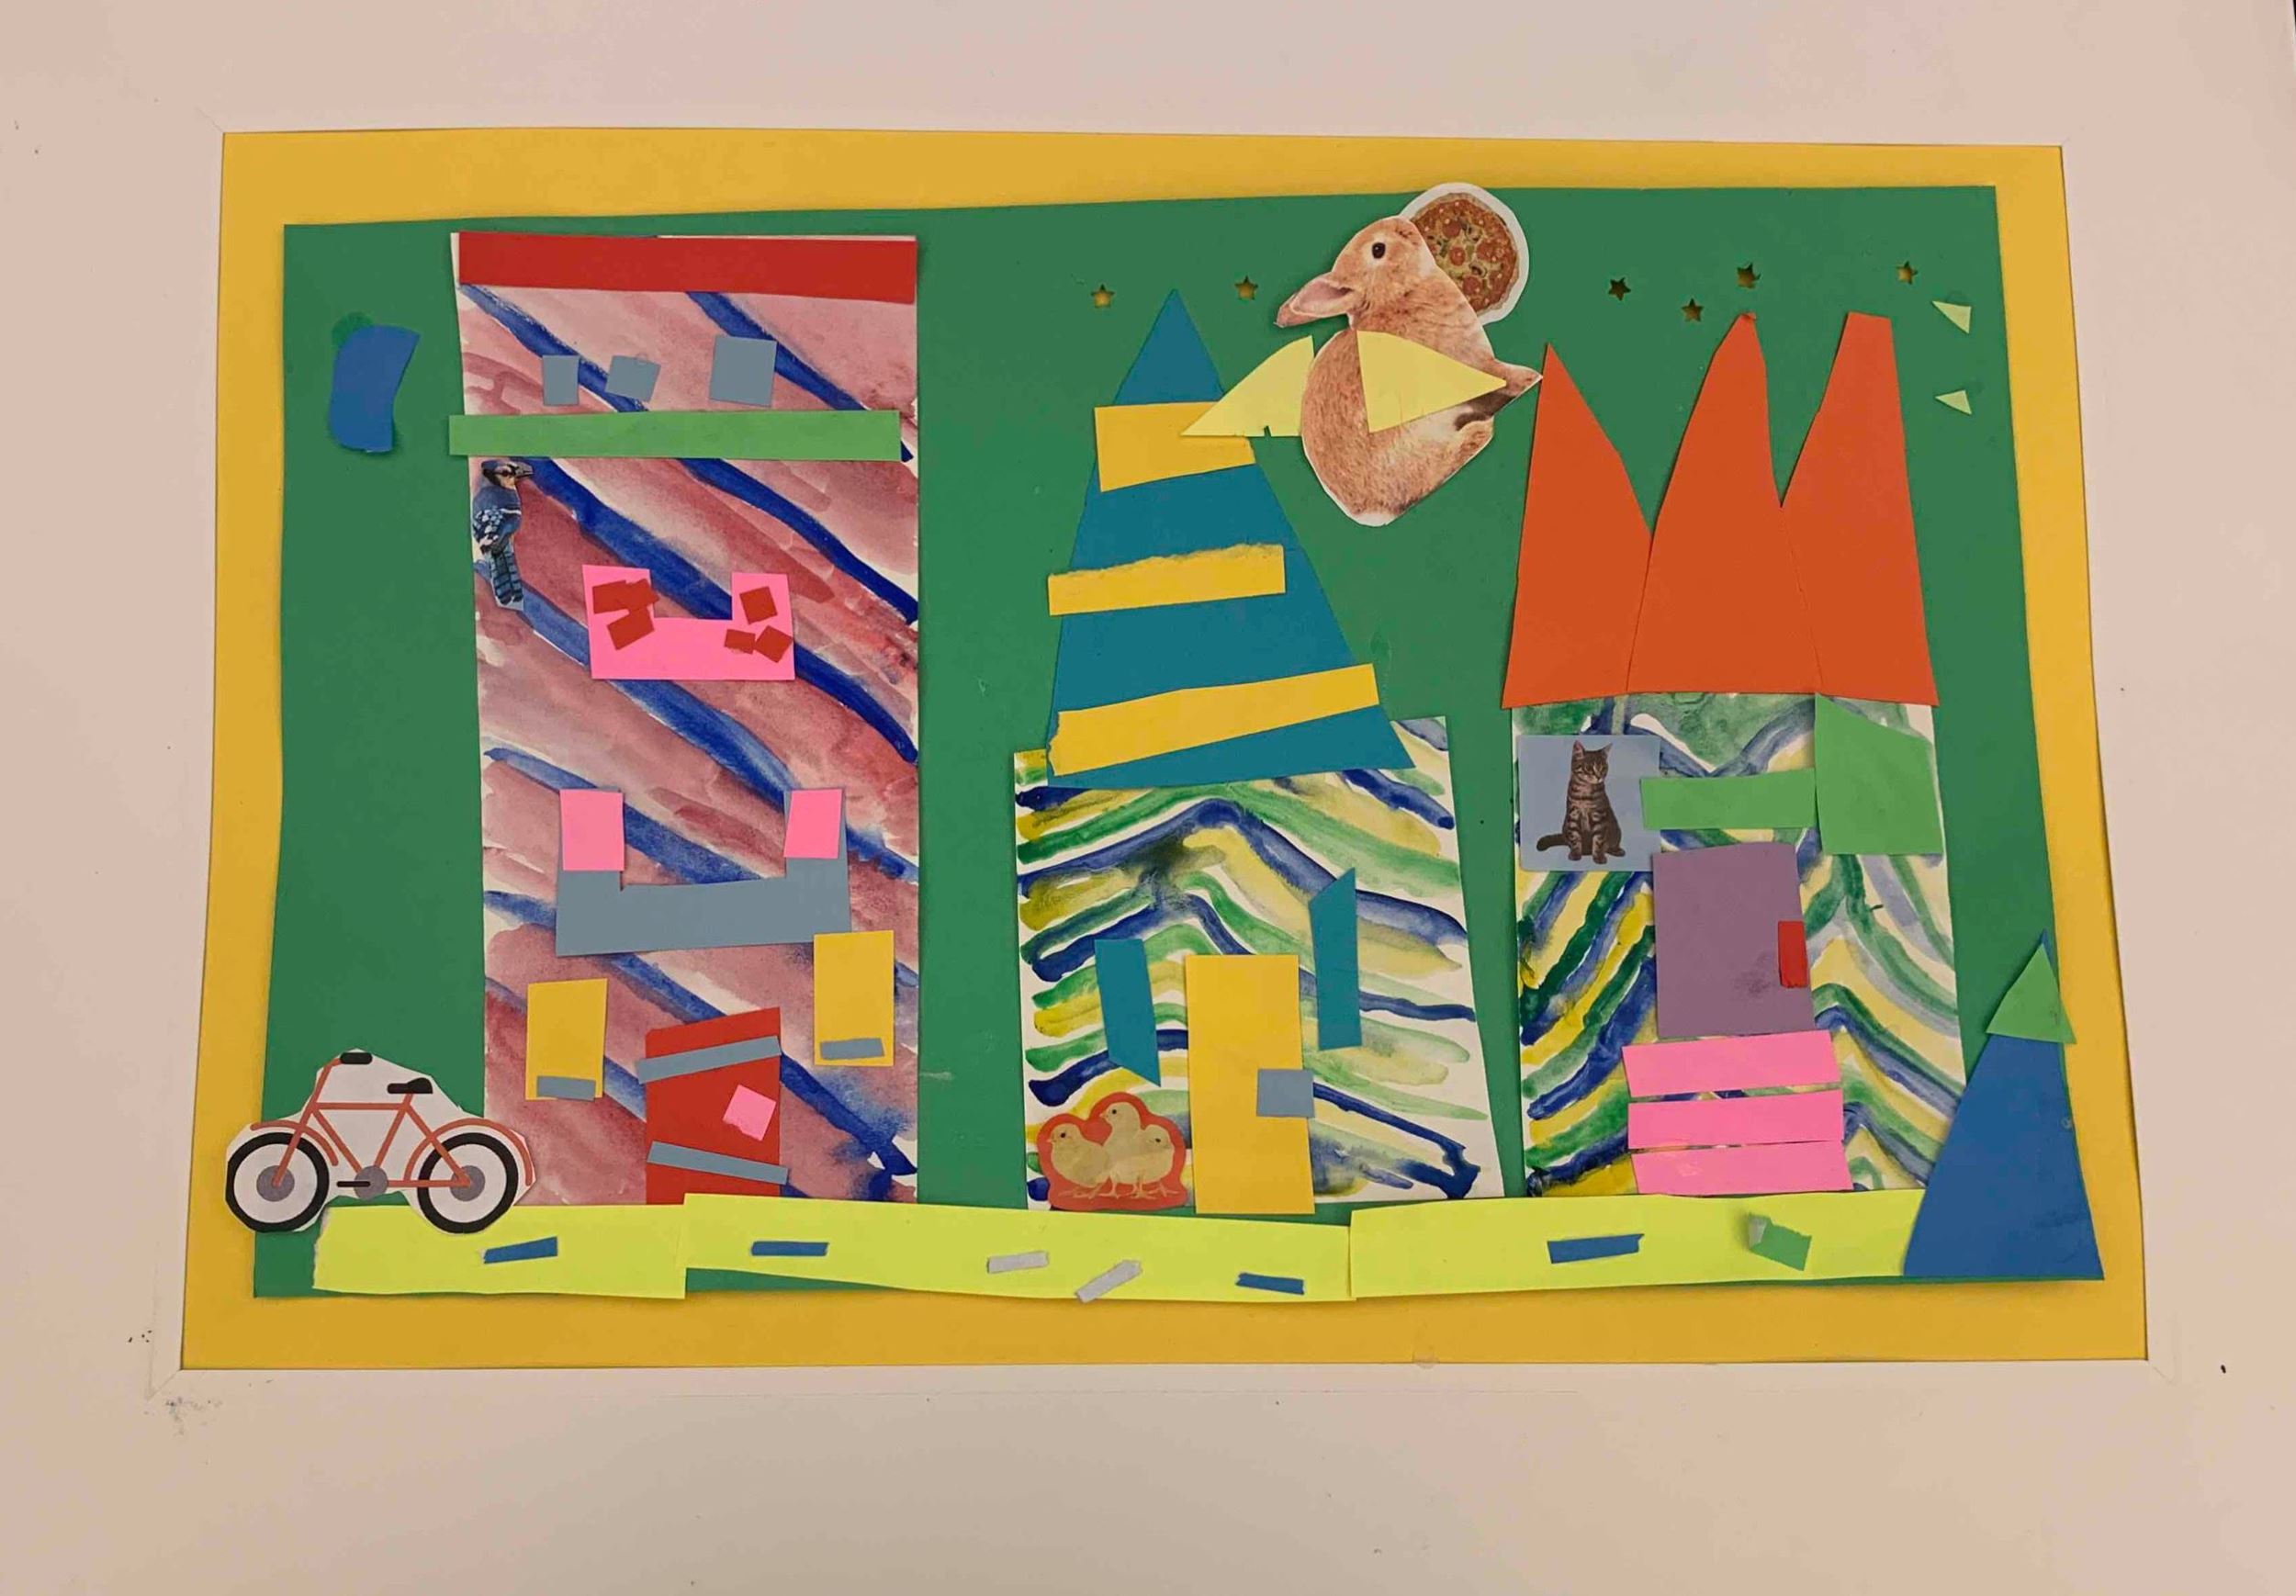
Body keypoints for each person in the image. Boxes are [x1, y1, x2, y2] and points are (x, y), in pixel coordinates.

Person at [470, 458, 534, 607]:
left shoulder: (478, 500)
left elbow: (476, 526)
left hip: (488, 541)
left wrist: (488, 541)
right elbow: (512, 521)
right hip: (503, 539)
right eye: (505, 474)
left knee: (498, 565)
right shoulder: (509, 496)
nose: (513, 477)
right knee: (505, 560)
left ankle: (506, 596)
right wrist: (498, 539)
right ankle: (511, 597)